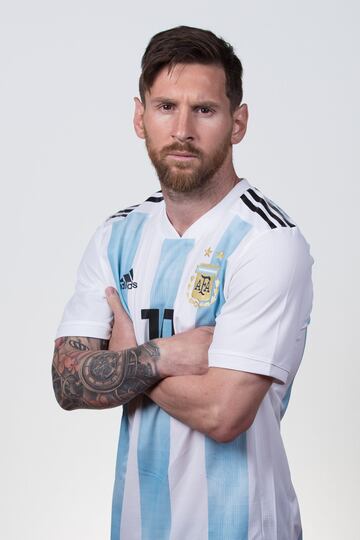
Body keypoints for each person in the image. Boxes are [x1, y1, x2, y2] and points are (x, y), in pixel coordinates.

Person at [52, 25, 313, 540]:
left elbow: (223, 413)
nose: (183, 130)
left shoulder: (268, 241)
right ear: (139, 116)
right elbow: (66, 380)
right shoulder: (117, 235)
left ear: (238, 122)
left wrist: (128, 356)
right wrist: (164, 354)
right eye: (166, 106)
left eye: (206, 110)